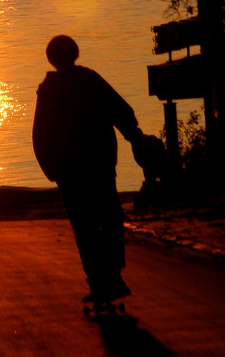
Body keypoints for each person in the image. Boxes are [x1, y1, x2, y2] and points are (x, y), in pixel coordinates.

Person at [32, 34, 146, 304]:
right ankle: (113, 274)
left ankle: (98, 279)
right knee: (110, 217)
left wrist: (50, 168)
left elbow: (39, 135)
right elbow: (120, 109)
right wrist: (134, 135)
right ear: (75, 53)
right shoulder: (90, 80)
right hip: (100, 164)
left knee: (84, 226)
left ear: (51, 59)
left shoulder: (48, 90)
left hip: (69, 171)